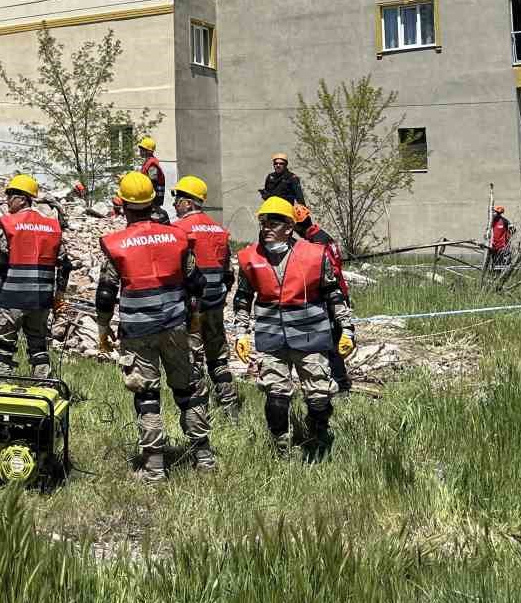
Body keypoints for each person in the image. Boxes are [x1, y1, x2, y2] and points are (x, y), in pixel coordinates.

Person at [94, 170, 213, 482]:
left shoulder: (117, 244)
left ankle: (155, 469)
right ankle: (204, 458)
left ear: (123, 206)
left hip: (137, 332)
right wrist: (195, 319)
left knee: (147, 397)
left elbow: (106, 292)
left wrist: (103, 329)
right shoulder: (176, 236)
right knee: (188, 391)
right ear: (153, 201)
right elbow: (196, 282)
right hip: (175, 326)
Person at [231, 197, 355, 457]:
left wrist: (347, 329)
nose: (266, 227)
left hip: (311, 337)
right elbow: (242, 298)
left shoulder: (314, 254)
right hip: (271, 338)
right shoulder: (249, 258)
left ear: (289, 227)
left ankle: (319, 439)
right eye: (263, 222)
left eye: (273, 222)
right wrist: (240, 334)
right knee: (276, 398)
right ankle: (282, 448)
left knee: (319, 398)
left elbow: (334, 294)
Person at [0, 174, 71, 379]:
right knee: (38, 344)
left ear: (23, 198)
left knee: (5, 344)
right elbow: (65, 265)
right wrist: (59, 297)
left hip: (12, 298)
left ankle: (1, 384)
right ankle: (43, 386)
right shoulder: (52, 226)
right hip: (41, 299)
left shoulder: (8, 223)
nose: (7, 200)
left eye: (10, 195)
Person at [172, 175, 237, 412]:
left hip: (191, 309)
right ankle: (230, 408)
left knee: (193, 359)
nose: (174, 203)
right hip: (215, 304)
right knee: (218, 357)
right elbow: (229, 273)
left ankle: (201, 411)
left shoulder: (178, 230)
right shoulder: (219, 231)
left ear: (189, 202)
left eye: (177, 197)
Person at [294, 204, 351, 393]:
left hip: (331, 297)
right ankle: (337, 382)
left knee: (331, 344)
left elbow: (321, 272)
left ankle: (340, 385)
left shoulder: (315, 243)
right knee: (332, 342)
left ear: (297, 226)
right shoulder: (322, 235)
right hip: (339, 292)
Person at [137, 137, 167, 217]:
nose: (140, 151)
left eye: (142, 149)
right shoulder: (148, 162)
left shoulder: (152, 164)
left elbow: (152, 180)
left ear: (148, 151)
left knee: (154, 214)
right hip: (151, 198)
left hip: (153, 198)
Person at [485, 205, 514, 270]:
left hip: (503, 248)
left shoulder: (504, 221)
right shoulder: (491, 222)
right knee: (494, 266)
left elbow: (513, 230)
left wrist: (508, 237)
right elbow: (487, 232)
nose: (494, 214)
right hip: (494, 247)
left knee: (504, 266)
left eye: (496, 212)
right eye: (494, 212)